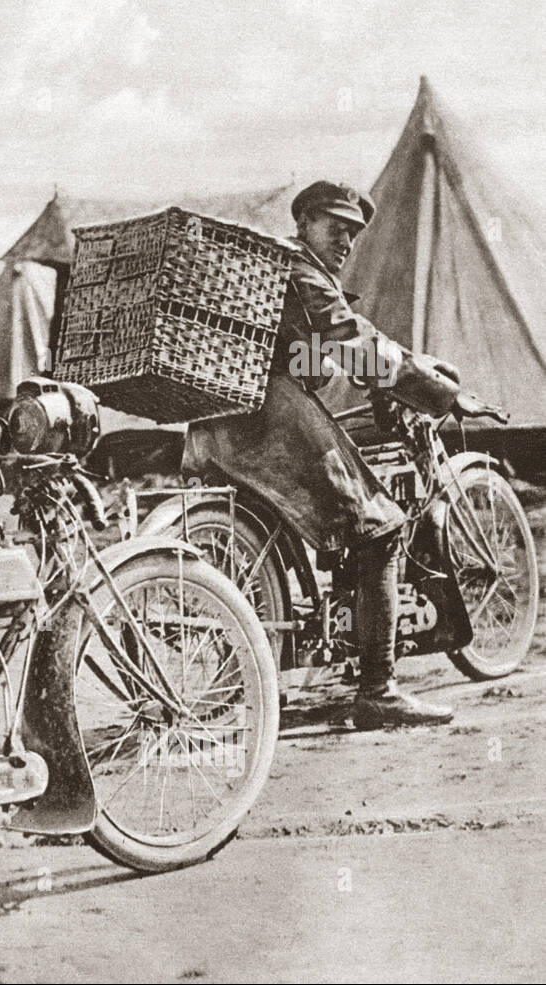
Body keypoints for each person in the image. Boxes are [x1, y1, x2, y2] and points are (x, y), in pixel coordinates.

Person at [181, 180, 458, 730]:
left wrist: (364, 374)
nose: (347, 242)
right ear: (305, 221)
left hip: (216, 428)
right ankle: (378, 691)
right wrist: (430, 385)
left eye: (354, 233)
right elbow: (349, 340)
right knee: (378, 525)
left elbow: (304, 358)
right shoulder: (299, 268)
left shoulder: (267, 276)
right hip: (269, 423)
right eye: (337, 228)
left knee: (332, 525)